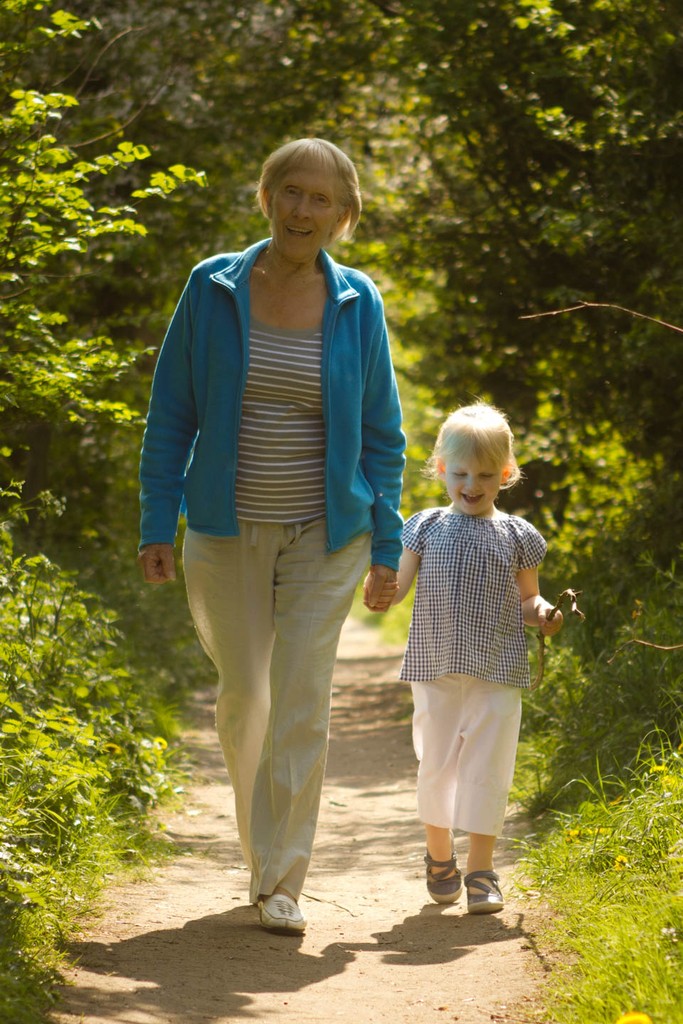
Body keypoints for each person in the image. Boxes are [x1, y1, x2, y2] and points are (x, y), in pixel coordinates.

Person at [137, 138, 405, 934]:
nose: (303, 210)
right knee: (246, 695)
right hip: (224, 528)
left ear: (344, 216)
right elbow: (171, 412)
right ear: (266, 197)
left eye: (322, 199)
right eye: (291, 191)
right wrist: (157, 521)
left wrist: (386, 544)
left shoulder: (358, 302)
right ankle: (262, 856)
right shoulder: (212, 285)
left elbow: (384, 437)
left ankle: (283, 877)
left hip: (328, 534)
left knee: (299, 697)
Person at [386, 402, 562, 913]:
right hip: (435, 669)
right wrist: (376, 586)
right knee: (436, 764)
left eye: (486, 474)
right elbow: (397, 589)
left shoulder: (517, 535)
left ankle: (482, 870)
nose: (472, 484)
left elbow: (528, 601)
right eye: (460, 472)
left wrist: (546, 613)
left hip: (498, 671)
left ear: (506, 474)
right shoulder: (423, 527)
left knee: (488, 767)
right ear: (441, 468)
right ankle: (440, 857)